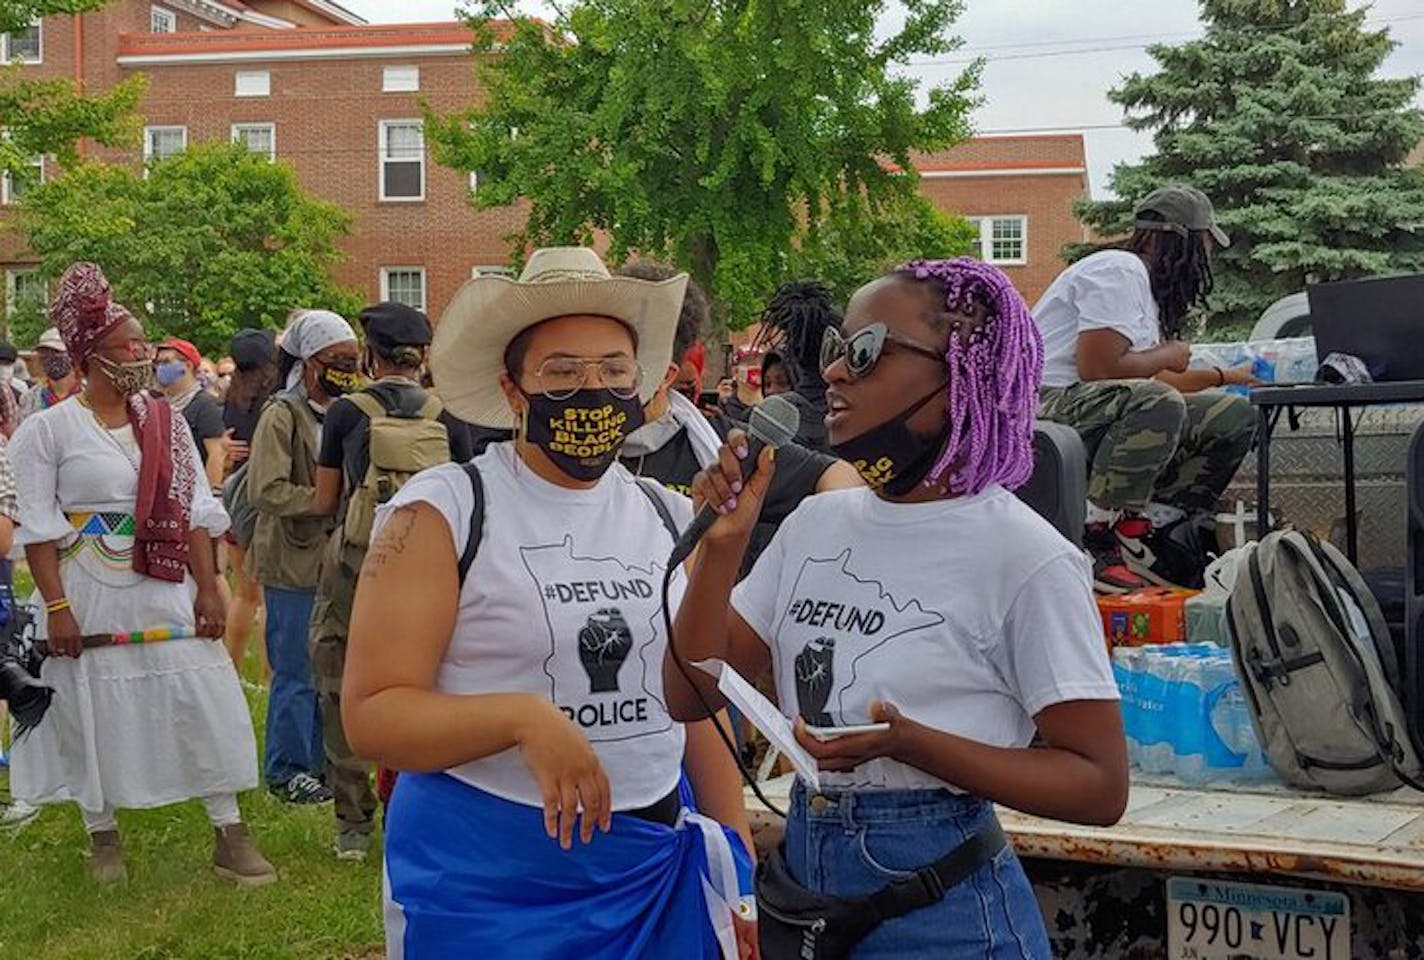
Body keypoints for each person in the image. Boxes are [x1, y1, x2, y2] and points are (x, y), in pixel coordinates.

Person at [668, 258, 1128, 958]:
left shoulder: (1024, 555)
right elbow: (689, 691)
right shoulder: (816, 526)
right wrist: (722, 549)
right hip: (809, 881)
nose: (835, 374)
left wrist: (914, 745)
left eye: (865, 351)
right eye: (832, 350)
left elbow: (1099, 786)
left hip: (943, 905)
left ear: (958, 377)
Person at [343, 247, 755, 959]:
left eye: (614, 370)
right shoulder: (442, 511)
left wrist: (735, 863)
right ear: (513, 389)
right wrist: (522, 719)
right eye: (562, 372)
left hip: (650, 862)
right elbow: (373, 716)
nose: (593, 391)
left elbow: (695, 704)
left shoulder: (664, 512)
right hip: (489, 876)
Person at [9, 262, 274, 884]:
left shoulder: (166, 420)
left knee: (201, 691)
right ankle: (102, 837)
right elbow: (41, 525)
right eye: (125, 346)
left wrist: (211, 586)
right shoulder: (46, 430)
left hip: (166, 579)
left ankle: (229, 829)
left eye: (142, 345)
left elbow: (193, 509)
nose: (140, 355)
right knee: (89, 702)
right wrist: (55, 609)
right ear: (89, 356)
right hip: (87, 586)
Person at [308, 301, 472, 861]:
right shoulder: (450, 415)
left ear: (370, 355)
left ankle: (353, 825)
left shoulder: (344, 413)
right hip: (435, 565)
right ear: (424, 356)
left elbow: (326, 499)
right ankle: (426, 803)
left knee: (341, 681)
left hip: (358, 562)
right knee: (435, 681)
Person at [1033, 186, 1258, 593]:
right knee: (1155, 401)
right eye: (1203, 241)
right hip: (1041, 408)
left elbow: (1153, 382)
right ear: (1167, 238)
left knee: (1233, 416)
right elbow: (1100, 369)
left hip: (1090, 405)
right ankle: (1095, 537)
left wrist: (1227, 379)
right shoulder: (1118, 270)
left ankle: (1148, 532)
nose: (1207, 254)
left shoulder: (1140, 288)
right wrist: (1168, 352)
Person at [246, 309, 358, 806]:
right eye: (337, 360)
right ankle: (287, 770)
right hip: (292, 561)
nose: (346, 368)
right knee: (295, 668)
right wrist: (317, 501)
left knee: (331, 670)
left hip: (335, 558)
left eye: (352, 360)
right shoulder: (282, 414)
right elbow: (263, 488)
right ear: (311, 362)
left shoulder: (347, 409)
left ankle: (326, 765)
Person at [221, 329, 277, 675]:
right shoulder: (273, 402)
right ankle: (273, 675)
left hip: (233, 495)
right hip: (261, 498)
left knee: (244, 592)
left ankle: (232, 669)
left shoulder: (230, 397)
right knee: (271, 596)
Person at [155, 338, 227, 493]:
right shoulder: (159, 404)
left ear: (187, 365)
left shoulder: (205, 405)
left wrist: (208, 496)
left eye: (166, 362)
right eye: (158, 363)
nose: (160, 367)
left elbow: (216, 453)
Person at [19, 328, 82, 423]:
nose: (49, 358)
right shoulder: (29, 398)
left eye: (56, 352)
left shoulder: (91, 394)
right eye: (44, 353)